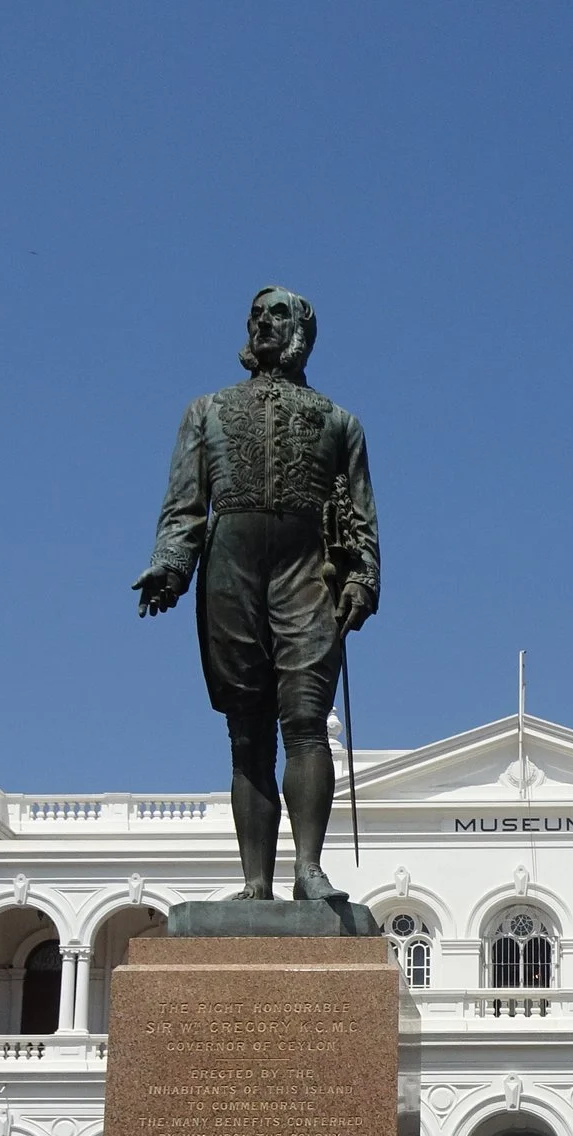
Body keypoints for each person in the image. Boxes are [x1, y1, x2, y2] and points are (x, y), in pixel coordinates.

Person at [133, 288, 379, 902]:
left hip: (309, 568)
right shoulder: (207, 411)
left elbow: (361, 515)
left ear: (302, 332)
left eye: (277, 315)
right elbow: (185, 505)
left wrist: (362, 576)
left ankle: (309, 870)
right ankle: (255, 882)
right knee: (246, 732)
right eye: (256, 315)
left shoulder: (340, 422)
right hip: (231, 567)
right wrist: (170, 565)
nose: (262, 323)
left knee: (306, 719)